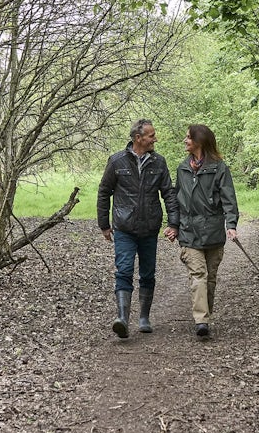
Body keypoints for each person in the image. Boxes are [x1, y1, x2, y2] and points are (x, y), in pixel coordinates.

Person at [97, 119, 179, 338]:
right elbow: (104, 191)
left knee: (147, 273)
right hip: (124, 226)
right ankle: (122, 318)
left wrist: (173, 223)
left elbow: (168, 193)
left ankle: (144, 317)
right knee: (123, 270)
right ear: (138, 138)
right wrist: (103, 224)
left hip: (150, 227)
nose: (155, 139)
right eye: (151, 136)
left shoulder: (159, 162)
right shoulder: (117, 161)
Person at [172, 124, 238, 338]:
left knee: (210, 278)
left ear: (199, 141)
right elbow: (175, 200)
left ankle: (205, 316)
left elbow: (229, 199)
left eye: (188, 137)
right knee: (198, 274)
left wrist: (232, 226)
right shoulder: (182, 168)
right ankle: (201, 321)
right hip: (189, 232)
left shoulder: (219, 168)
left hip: (213, 232)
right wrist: (173, 225)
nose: (185, 140)